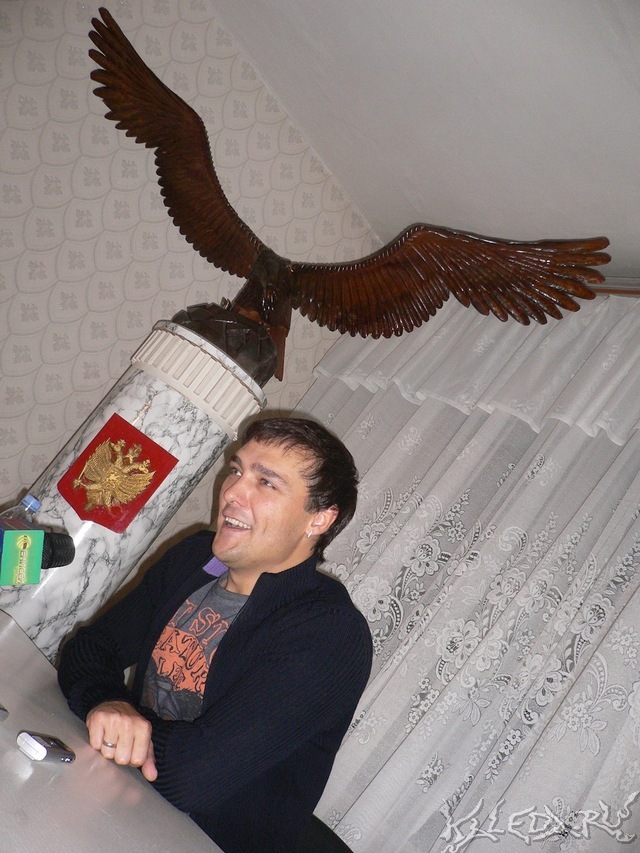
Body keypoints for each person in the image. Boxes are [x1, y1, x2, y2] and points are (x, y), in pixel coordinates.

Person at [58, 416, 373, 853]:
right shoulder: (193, 559)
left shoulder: (329, 633)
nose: (233, 493)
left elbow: (193, 779)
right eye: (237, 470)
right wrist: (107, 702)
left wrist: (126, 728)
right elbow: (90, 648)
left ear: (319, 519)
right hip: (117, 794)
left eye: (266, 483)